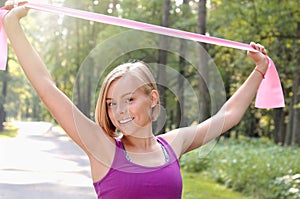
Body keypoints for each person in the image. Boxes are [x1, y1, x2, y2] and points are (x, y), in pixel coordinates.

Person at [3, 1, 268, 198]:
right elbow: (47, 88)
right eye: (111, 103)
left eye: (129, 99)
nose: (119, 111)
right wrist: (13, 25)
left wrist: (259, 70)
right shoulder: (103, 148)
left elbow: (227, 116)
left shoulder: (173, 144)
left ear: (152, 98)